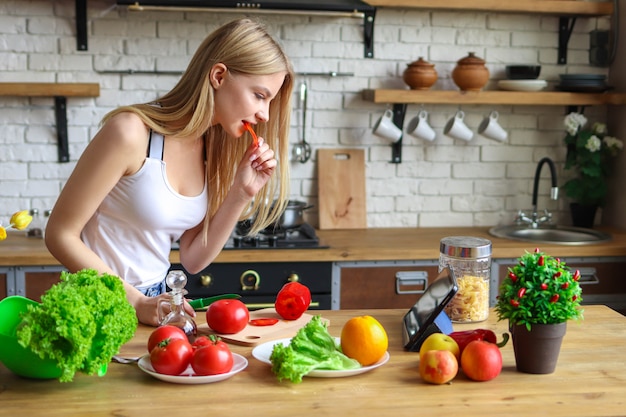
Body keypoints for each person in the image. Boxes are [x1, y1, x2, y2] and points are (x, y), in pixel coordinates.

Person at [45, 18, 295, 326]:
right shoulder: (131, 133)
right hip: (97, 304)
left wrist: (241, 193)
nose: (264, 114)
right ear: (219, 76)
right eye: (259, 95)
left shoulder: (210, 151)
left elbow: (192, 258)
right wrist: (136, 301)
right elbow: (60, 235)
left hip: (156, 304)